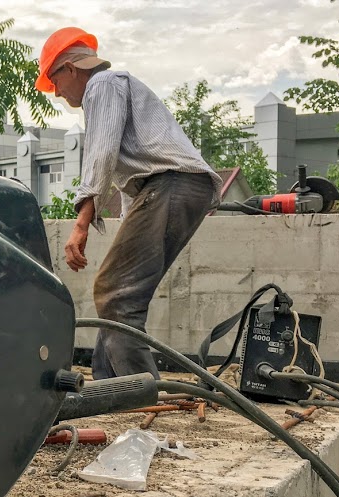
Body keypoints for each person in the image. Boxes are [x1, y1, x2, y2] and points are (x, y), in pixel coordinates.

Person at [35, 27, 223, 381]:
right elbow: (127, 172)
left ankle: (137, 389)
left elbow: (101, 152)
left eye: (54, 81)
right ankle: (109, 384)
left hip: (172, 184)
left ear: (71, 69)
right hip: (176, 187)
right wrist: (128, 221)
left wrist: (80, 224)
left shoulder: (102, 84)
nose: (57, 92)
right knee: (117, 290)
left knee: (117, 293)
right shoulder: (115, 88)